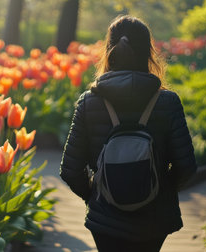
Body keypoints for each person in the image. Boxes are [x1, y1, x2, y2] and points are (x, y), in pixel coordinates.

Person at [60, 15, 197, 251]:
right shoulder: (168, 102)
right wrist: (160, 190)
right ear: (148, 53)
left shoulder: (88, 103)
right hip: (154, 221)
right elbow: (187, 167)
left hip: (106, 219)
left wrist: (95, 195)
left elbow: (70, 169)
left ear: (109, 51)